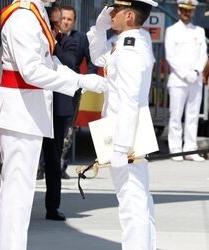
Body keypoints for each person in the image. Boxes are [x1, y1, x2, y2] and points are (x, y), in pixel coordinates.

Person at [0, 0, 107, 249]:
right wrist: (77, 83)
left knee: (19, 192)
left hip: (26, 111)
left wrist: (83, 80)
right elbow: (31, 71)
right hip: (20, 112)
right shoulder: (22, 16)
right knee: (16, 195)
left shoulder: (36, 12)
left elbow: (50, 63)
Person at [87, 0, 158, 249]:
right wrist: (98, 30)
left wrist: (121, 147)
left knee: (131, 205)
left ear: (129, 15)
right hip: (127, 133)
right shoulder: (131, 41)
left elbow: (128, 100)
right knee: (138, 200)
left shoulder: (130, 48)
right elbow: (99, 58)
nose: (111, 13)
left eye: (116, 10)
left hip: (126, 135)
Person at [40, 5, 79, 221]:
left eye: (65, 20)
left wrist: (55, 43)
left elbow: (71, 63)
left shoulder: (71, 41)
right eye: (58, 20)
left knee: (54, 160)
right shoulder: (38, 39)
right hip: (37, 104)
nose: (61, 24)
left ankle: (52, 206)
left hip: (58, 108)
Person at [165, 0, 208, 162]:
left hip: (195, 79)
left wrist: (196, 71)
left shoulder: (199, 31)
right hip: (178, 79)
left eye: (189, 10)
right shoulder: (172, 30)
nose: (186, 13)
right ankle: (175, 149)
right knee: (176, 115)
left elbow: (203, 54)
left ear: (194, 11)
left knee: (193, 115)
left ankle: (190, 149)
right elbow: (170, 56)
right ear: (178, 10)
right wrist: (185, 74)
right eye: (184, 10)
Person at [59, 5, 98, 179]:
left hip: (71, 89)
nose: (65, 22)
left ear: (74, 22)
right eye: (63, 18)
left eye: (69, 19)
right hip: (49, 88)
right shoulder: (50, 34)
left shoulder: (80, 38)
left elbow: (93, 60)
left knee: (67, 129)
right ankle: (41, 167)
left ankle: (60, 165)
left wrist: (86, 81)